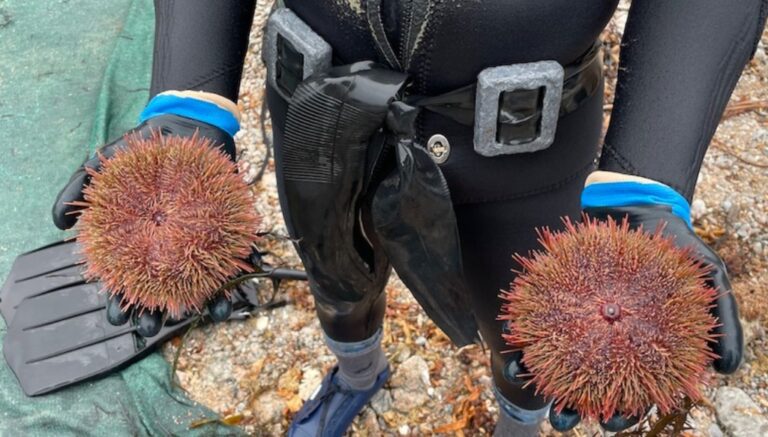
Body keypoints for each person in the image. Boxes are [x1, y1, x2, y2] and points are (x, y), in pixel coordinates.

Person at [52, 1, 766, 435]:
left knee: (530, 341)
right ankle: (357, 375)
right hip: (316, 112)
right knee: (338, 282)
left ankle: (517, 426)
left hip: (522, 152)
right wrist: (189, 94)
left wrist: (648, 171)